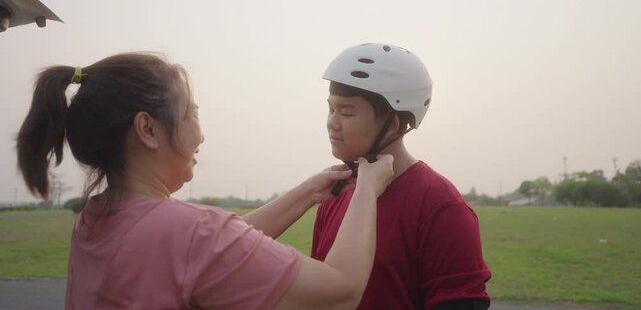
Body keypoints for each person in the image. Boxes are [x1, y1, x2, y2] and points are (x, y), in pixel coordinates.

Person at [16, 52, 395, 310]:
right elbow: (340, 291)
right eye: (191, 114)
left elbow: (209, 252)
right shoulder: (187, 234)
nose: (201, 133)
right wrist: (367, 187)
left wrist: (305, 194)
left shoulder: (94, 219)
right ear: (147, 129)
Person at [311, 43, 492, 310]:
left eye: (347, 112)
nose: (331, 123)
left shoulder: (440, 205)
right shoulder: (336, 193)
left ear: (392, 125)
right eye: (331, 109)